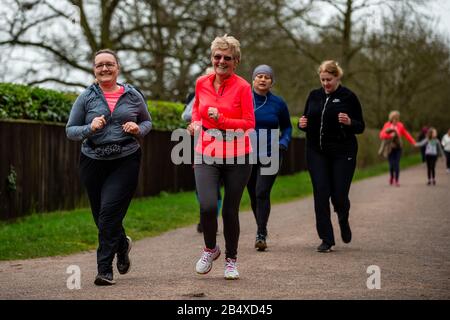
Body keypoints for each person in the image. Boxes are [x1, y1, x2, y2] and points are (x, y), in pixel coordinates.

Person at [66, 49, 152, 286]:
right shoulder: (86, 97)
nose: (104, 69)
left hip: (125, 158)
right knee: (101, 216)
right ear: (94, 69)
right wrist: (89, 128)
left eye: (109, 64)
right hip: (92, 160)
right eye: (99, 65)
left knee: (108, 214)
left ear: (117, 67)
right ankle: (122, 244)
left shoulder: (133, 95)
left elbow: (147, 121)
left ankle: (104, 270)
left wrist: (138, 129)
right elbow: (70, 130)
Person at [187, 34, 255, 279]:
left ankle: (231, 260)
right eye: (217, 56)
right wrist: (195, 123)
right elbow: (196, 110)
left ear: (236, 62)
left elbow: (249, 123)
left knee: (229, 211)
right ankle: (210, 249)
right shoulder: (201, 83)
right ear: (212, 58)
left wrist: (222, 120)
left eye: (227, 58)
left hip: (238, 155)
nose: (221, 61)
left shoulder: (244, 87)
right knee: (206, 206)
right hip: (206, 151)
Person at [298, 60, 365, 253]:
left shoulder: (348, 97)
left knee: (339, 195)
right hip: (316, 152)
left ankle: (343, 218)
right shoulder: (313, 95)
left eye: (329, 79)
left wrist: (350, 122)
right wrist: (301, 124)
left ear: (337, 77)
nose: (326, 83)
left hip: (342, 153)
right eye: (323, 79)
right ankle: (326, 239)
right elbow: (305, 120)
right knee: (320, 193)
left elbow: (361, 126)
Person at [247, 64, 292, 251]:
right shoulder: (244, 99)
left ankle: (261, 233)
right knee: (252, 195)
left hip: (271, 152)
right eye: (259, 76)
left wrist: (283, 143)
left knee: (261, 192)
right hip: (246, 152)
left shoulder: (278, 103)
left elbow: (288, 127)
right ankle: (261, 227)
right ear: (253, 80)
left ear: (272, 82)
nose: (263, 79)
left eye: (267, 77)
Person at [181, 67, 222, 233]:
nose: (208, 77)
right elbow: (186, 116)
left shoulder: (223, 93)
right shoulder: (195, 95)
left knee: (216, 184)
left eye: (211, 74)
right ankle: (204, 215)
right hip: (199, 144)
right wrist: (199, 96)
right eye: (205, 74)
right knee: (201, 185)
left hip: (221, 144)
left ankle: (212, 218)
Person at [379, 110, 416, 186]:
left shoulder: (400, 126)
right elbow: (381, 135)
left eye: (397, 118)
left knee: (396, 164)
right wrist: (390, 135)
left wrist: (413, 142)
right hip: (389, 148)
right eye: (394, 118)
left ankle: (397, 180)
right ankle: (392, 176)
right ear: (391, 118)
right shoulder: (387, 125)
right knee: (391, 164)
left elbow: (406, 134)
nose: (395, 120)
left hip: (398, 148)